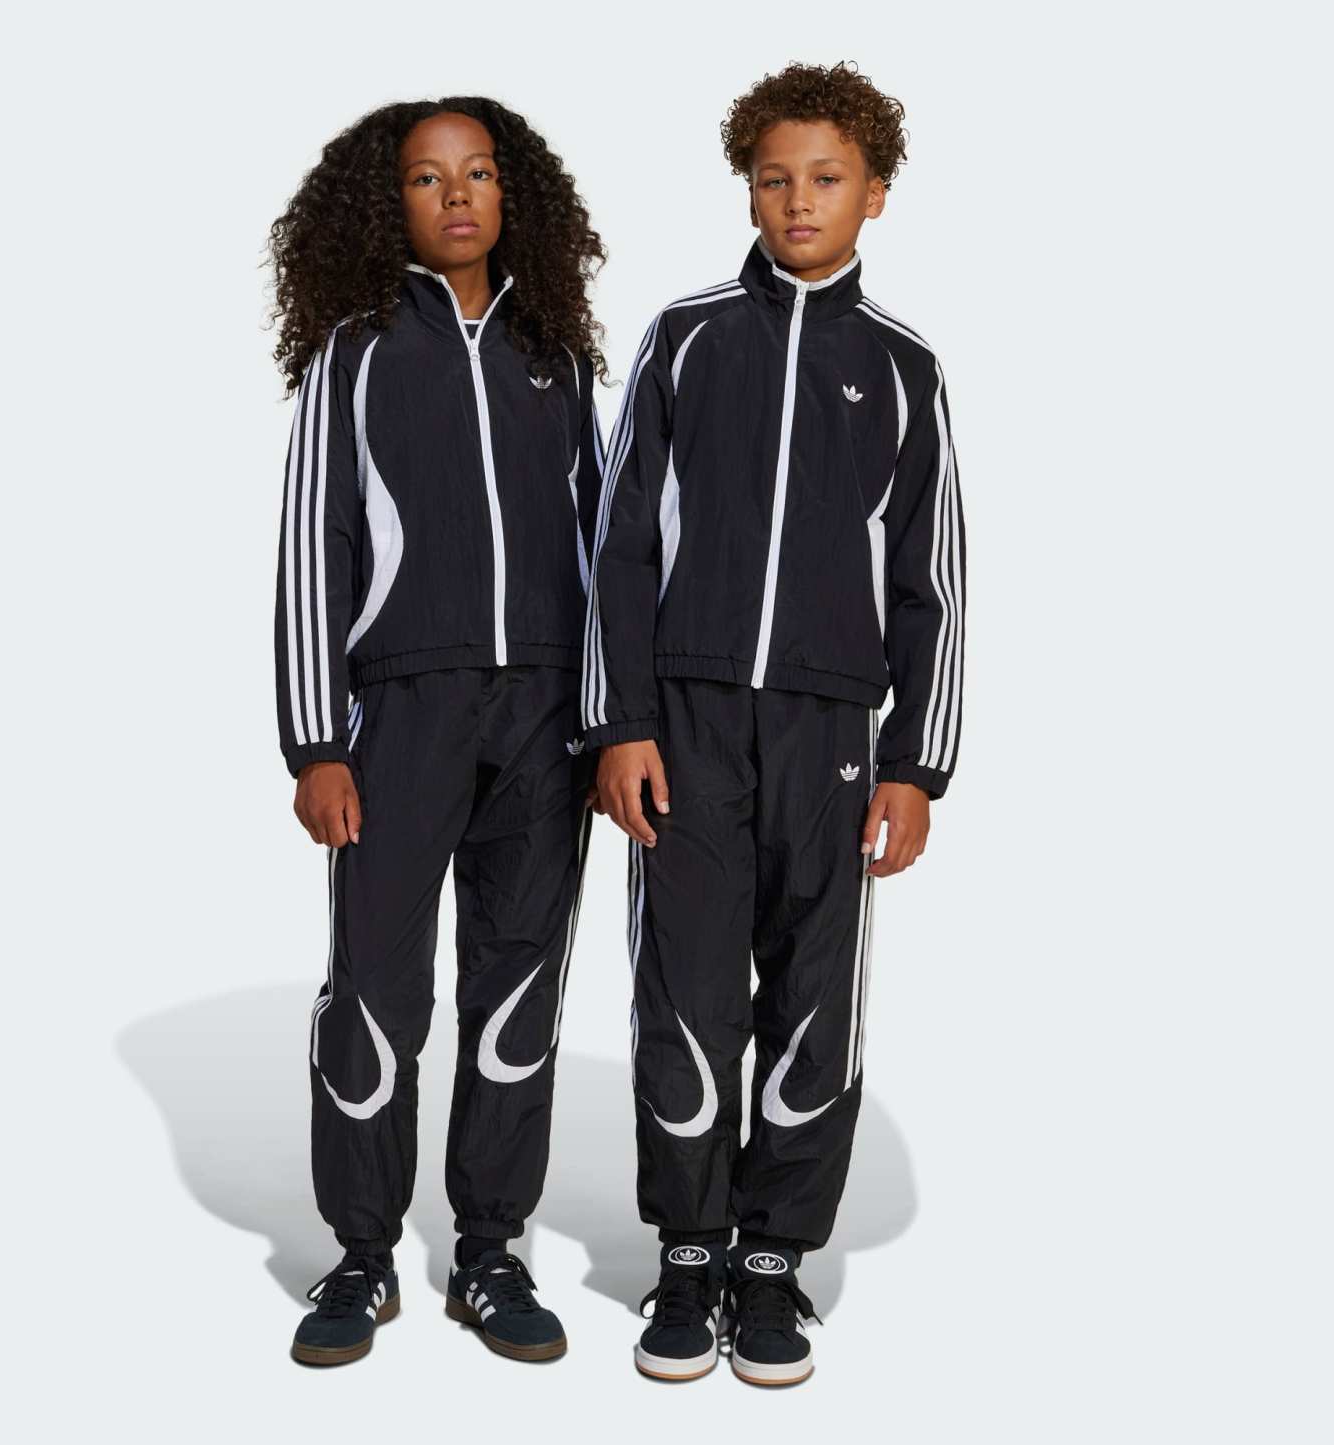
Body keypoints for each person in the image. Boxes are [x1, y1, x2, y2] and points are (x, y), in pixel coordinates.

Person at [584, 60, 966, 1386]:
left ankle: (770, 1257)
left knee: (815, 992)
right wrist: (619, 722)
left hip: (832, 732)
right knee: (684, 987)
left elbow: (929, 581)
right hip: (684, 721)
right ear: (746, 189)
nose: (798, 201)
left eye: (826, 178)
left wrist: (915, 764)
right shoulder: (686, 338)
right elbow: (619, 545)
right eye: (773, 179)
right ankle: (688, 1248)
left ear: (874, 193)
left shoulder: (902, 369)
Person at [268, 96, 607, 1366]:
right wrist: (316, 741)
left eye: (476, 173)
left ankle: (488, 1248)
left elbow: (602, 544)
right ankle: (360, 1253)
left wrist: (607, 719)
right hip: (401, 711)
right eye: (425, 177)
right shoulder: (355, 352)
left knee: (518, 985)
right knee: (376, 987)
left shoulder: (553, 353)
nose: (455, 195)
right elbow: (314, 543)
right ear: (389, 202)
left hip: (546, 719)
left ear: (512, 192)